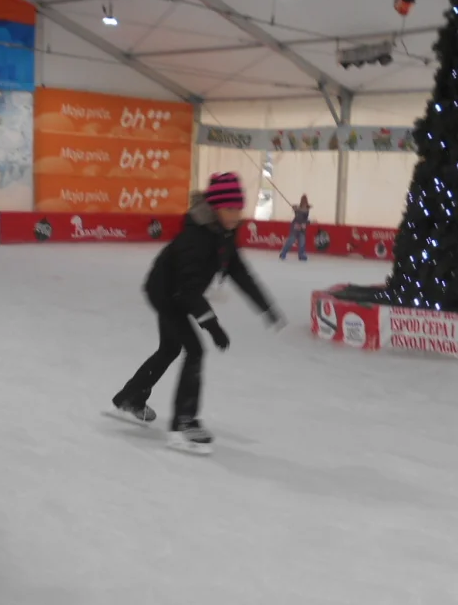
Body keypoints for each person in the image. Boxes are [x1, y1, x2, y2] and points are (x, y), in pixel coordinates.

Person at [112, 172, 284, 453]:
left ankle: (130, 397)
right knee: (194, 350)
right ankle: (184, 423)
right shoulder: (197, 236)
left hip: (178, 293)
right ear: (216, 208)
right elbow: (187, 291)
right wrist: (212, 325)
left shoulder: (223, 233)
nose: (236, 214)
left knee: (169, 348)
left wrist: (265, 306)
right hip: (167, 294)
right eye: (230, 208)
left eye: (238, 208)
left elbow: (239, 272)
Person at [280, 194, 311, 261]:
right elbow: (299, 216)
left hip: (302, 227)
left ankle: (301, 255)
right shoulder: (298, 209)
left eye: (305, 202)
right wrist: (295, 209)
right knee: (291, 240)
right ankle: (283, 253)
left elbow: (304, 214)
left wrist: (296, 209)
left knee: (302, 241)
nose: (304, 204)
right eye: (303, 202)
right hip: (295, 226)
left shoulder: (305, 210)